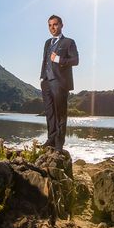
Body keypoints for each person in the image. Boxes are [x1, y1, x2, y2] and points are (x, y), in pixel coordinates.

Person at [40, 14, 79, 151]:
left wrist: (59, 59)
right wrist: (42, 78)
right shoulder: (47, 43)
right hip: (46, 83)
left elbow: (75, 61)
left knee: (60, 114)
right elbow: (44, 61)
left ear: (61, 25)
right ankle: (50, 139)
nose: (52, 28)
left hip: (60, 83)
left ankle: (58, 144)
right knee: (49, 113)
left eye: (55, 24)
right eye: (50, 25)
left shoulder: (69, 42)